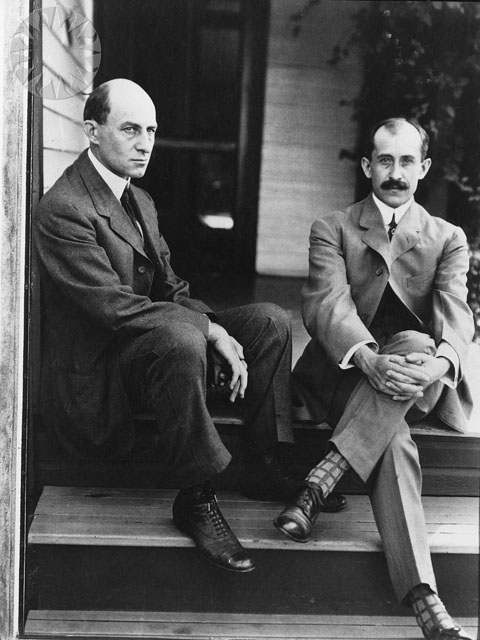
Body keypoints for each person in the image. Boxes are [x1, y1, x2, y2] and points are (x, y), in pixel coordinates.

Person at [34, 78, 344, 575]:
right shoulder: (63, 209)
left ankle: (263, 462)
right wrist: (209, 330)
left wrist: (215, 325)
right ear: (91, 131)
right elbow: (113, 308)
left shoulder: (140, 200)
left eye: (151, 130)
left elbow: (171, 289)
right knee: (182, 335)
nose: (145, 143)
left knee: (268, 321)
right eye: (130, 129)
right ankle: (196, 496)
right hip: (103, 379)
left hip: (150, 351)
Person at [275, 117, 473, 639]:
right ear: (367, 166)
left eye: (407, 161)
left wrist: (439, 363)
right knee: (396, 441)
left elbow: (455, 312)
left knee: (420, 344)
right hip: (345, 373)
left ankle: (321, 479)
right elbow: (326, 305)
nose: (395, 172)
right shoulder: (333, 226)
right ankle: (425, 597)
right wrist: (367, 359)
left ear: (424, 168)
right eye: (385, 160)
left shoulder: (447, 237)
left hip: (413, 375)